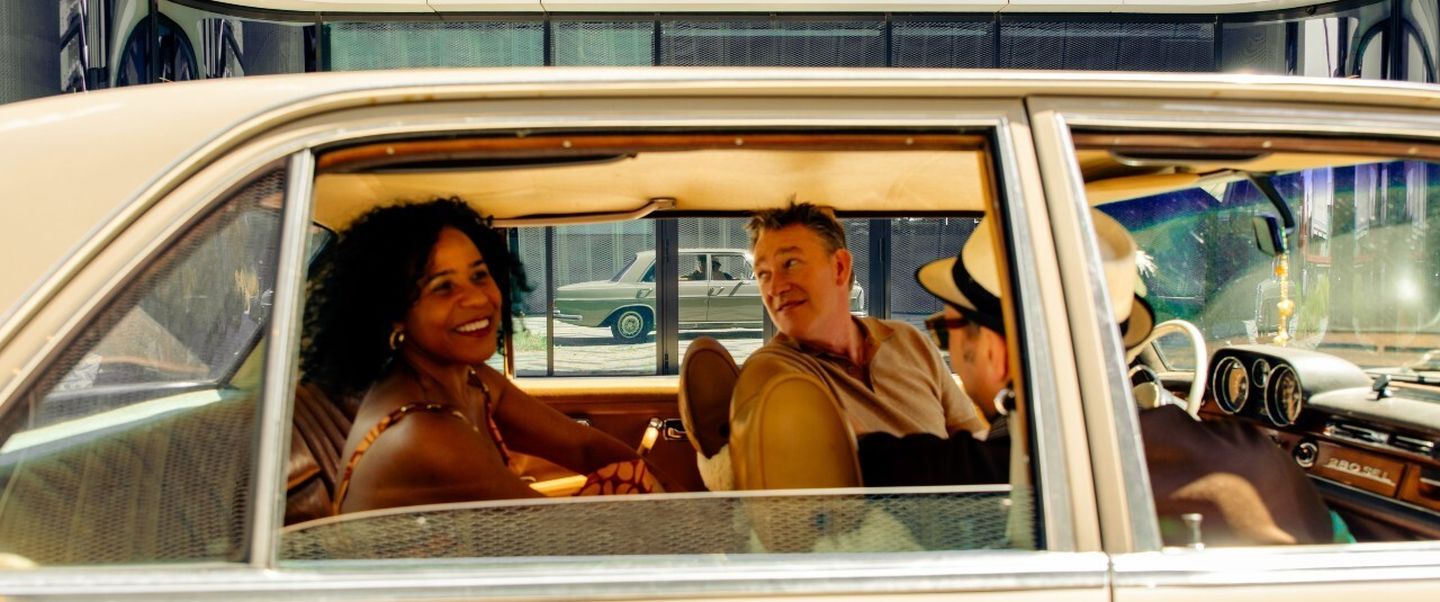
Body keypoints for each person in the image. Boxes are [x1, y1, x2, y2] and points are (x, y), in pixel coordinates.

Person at [915, 210, 1339, 546]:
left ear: (995, 351)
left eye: (944, 333)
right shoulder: (1262, 465)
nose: (944, 346)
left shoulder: (973, 484)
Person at [304, 199, 663, 514]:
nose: (477, 298)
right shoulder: (423, 433)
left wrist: (670, 497)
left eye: (479, 275)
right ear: (393, 312)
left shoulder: (472, 378)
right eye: (443, 287)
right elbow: (552, 530)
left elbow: (584, 447)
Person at [713, 202, 987, 491]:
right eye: (763, 274)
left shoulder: (908, 340)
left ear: (840, 267)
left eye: (790, 264)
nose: (775, 287)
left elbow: (973, 439)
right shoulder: (771, 373)